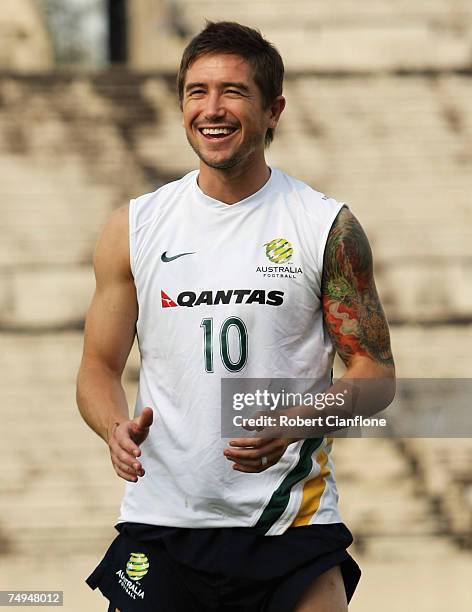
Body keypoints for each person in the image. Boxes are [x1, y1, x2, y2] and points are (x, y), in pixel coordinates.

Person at [77, 21, 395, 612]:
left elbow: (373, 375)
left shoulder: (324, 226)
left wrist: (298, 420)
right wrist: (112, 427)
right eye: (197, 91)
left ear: (272, 110)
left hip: (291, 527)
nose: (212, 108)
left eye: (233, 91)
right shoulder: (135, 227)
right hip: (165, 525)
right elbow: (97, 367)